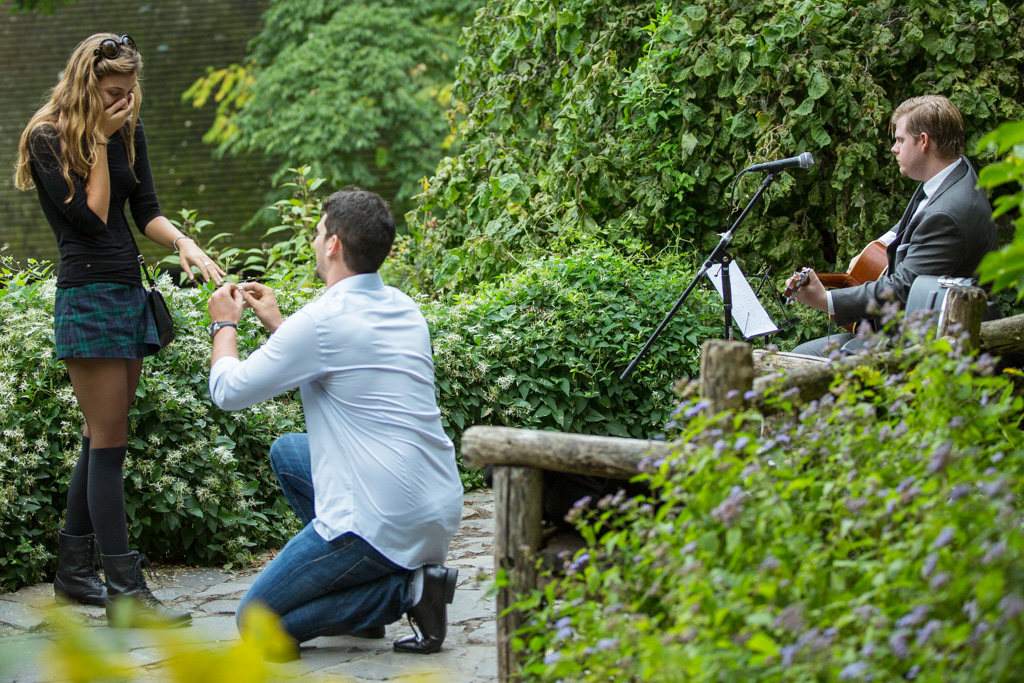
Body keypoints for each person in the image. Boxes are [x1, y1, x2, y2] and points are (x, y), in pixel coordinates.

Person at [14, 33, 224, 628]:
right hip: (85, 294)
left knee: (100, 432)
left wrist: (184, 242)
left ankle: (74, 575)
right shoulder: (47, 136)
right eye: (113, 92)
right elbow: (94, 215)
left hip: (127, 290)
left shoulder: (127, 127)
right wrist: (102, 142)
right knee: (110, 442)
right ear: (87, 84)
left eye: (130, 92)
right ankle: (126, 594)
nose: (125, 101)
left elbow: (144, 210)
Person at [206, 188, 463, 659]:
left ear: (334, 245)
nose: (314, 240)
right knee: (288, 452)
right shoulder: (404, 308)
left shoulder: (321, 321)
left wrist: (224, 325)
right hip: (435, 505)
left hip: (380, 516)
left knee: (258, 624)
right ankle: (370, 594)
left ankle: (406, 593)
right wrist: (279, 323)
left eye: (319, 231)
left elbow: (229, 391)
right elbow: (344, 364)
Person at [786, 95, 997, 356]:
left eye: (899, 140)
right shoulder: (952, 173)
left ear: (923, 141)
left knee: (799, 361)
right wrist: (874, 248)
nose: (893, 149)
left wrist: (825, 300)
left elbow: (902, 288)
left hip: (938, 346)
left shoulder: (948, 214)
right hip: (917, 327)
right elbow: (909, 223)